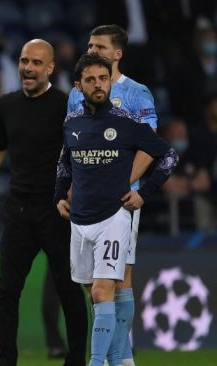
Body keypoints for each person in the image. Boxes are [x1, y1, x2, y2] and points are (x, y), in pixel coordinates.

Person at [0, 39, 88, 366]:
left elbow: (81, 154)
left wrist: (75, 191)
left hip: (56, 211)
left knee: (68, 289)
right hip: (18, 211)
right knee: (7, 293)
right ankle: (7, 362)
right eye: (24, 61)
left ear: (50, 68)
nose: (28, 68)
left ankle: (76, 360)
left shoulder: (66, 105)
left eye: (36, 63)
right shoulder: (7, 104)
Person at [55, 53, 178, 366]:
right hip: (80, 219)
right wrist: (59, 195)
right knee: (92, 292)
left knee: (101, 291)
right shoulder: (72, 123)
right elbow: (65, 161)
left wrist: (145, 193)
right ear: (78, 86)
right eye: (91, 80)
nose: (99, 85)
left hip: (114, 216)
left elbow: (169, 157)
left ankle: (97, 363)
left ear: (110, 81)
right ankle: (123, 359)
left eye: (103, 78)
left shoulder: (127, 123)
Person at [67, 25, 158, 366]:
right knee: (93, 285)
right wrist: (72, 188)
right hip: (86, 202)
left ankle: (120, 357)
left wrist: (121, 182)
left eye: (100, 46)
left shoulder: (136, 93)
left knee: (121, 279)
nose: (92, 48)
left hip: (121, 201)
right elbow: (72, 147)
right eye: (89, 44)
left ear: (117, 54)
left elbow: (150, 147)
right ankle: (113, 356)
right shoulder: (77, 93)